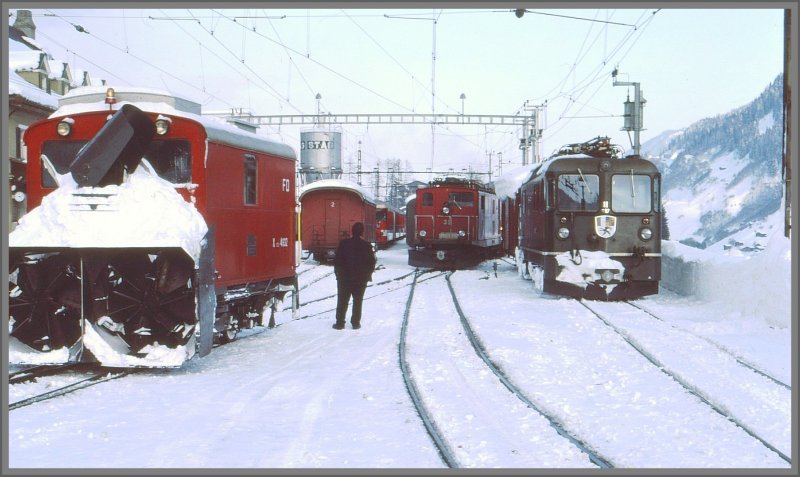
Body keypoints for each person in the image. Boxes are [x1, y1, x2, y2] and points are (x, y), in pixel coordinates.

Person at [332, 222, 376, 330]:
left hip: (344, 278)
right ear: (362, 232)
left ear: (352, 231)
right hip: (361, 279)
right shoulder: (367, 245)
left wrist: (338, 274)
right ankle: (355, 323)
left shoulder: (343, 243)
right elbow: (372, 263)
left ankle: (340, 323)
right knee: (358, 300)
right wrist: (367, 275)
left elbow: (337, 261)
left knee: (342, 300)